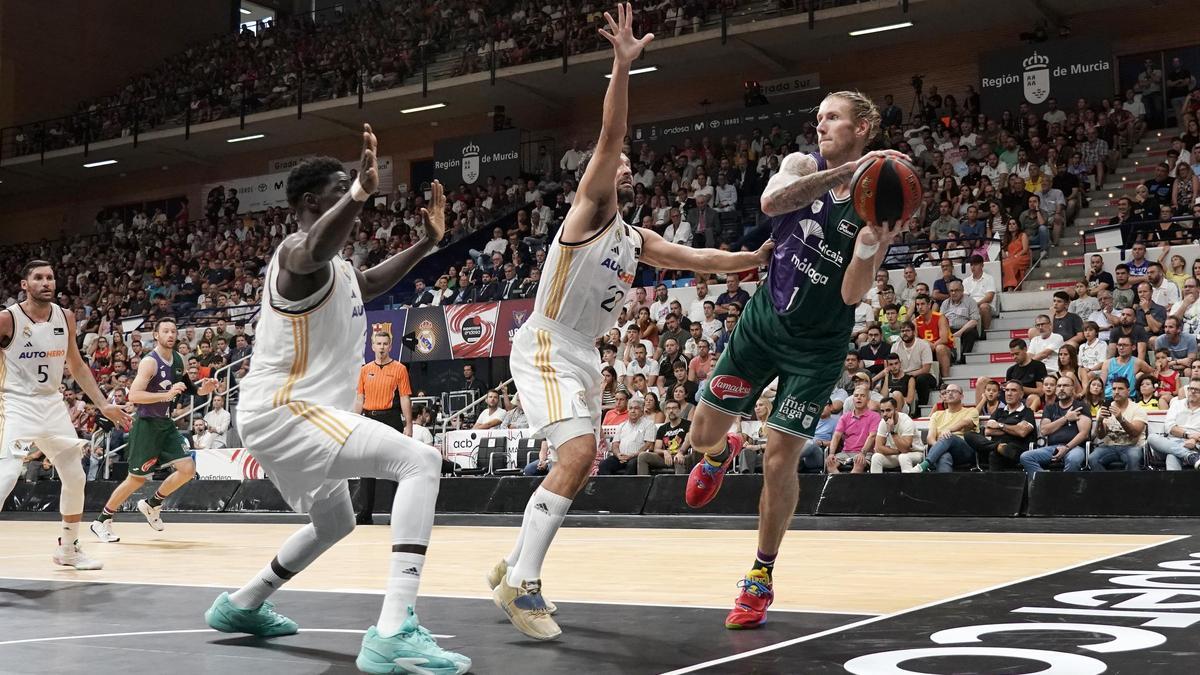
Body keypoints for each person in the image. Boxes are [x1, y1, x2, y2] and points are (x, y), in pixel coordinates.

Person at [493, 5, 772, 642]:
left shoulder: (633, 237)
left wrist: (752, 259)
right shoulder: (590, 209)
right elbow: (612, 132)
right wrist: (621, 65)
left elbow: (699, 258)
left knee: (580, 463)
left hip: (584, 352)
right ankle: (522, 581)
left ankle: (511, 565)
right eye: (614, 161)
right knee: (578, 454)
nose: (622, 164)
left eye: (624, 164)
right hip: (547, 341)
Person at [202, 130, 471, 672]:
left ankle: (241, 604)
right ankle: (395, 629)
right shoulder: (294, 256)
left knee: (336, 523)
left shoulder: (339, 268)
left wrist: (426, 245)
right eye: (338, 189)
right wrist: (360, 195)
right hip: (284, 411)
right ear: (310, 202)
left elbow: (367, 283)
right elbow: (314, 251)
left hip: (296, 414)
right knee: (419, 461)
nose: (350, 192)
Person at [682, 86, 906, 630]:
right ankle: (720, 453)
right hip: (762, 326)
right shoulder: (801, 164)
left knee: (781, 455)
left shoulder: (878, 201)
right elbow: (771, 204)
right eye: (819, 116)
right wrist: (841, 176)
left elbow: (853, 294)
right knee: (700, 434)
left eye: (833, 118)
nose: (821, 124)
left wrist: (873, 243)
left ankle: (759, 577)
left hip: (817, 346)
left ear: (863, 128)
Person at [0, 261, 131, 570]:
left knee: (75, 475)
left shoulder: (66, 317)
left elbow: (77, 365)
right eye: (38, 278)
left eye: (50, 277)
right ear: (25, 284)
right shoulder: (7, 320)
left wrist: (103, 404)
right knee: (5, 477)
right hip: (15, 404)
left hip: (52, 405)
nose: (46, 282)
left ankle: (68, 549)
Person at [90, 318, 218, 542]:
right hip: (147, 426)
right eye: (165, 331)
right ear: (156, 335)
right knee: (136, 479)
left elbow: (189, 388)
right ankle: (101, 520)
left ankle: (153, 504)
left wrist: (202, 390)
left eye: (173, 331)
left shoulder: (179, 359)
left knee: (187, 469)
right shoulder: (150, 362)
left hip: (166, 425)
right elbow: (135, 396)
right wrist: (166, 396)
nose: (170, 334)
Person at [352, 330, 413, 526]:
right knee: (366, 467)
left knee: (395, 468)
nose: (381, 347)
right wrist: (354, 421)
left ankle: (396, 514)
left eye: (385, 344)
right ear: (372, 346)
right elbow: (360, 398)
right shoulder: (364, 370)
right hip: (368, 419)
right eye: (378, 343)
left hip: (391, 419)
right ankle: (364, 513)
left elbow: (405, 397)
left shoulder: (400, 369)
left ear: (390, 345)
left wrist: (409, 424)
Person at [1018, 375, 1091, 474]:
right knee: (1026, 457)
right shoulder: (1050, 408)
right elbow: (1044, 430)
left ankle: (1064, 486)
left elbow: (1084, 434)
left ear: (1073, 388)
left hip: (1075, 447)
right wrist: (1065, 418)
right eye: (1059, 386)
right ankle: (1046, 480)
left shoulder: (1081, 406)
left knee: (1074, 459)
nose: (1061, 388)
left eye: (1065, 385)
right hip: (1053, 448)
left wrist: (1066, 448)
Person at [966, 380, 1036, 472]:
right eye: (1007, 390)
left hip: (1015, 450)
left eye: (1013, 390)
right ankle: (997, 447)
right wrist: (1014, 428)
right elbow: (988, 431)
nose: (1009, 394)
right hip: (995, 448)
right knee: (969, 435)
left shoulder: (1027, 412)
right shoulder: (999, 411)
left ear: (1021, 394)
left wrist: (1000, 425)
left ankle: (997, 449)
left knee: (996, 453)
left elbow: (1022, 432)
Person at [914, 384, 980, 472]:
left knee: (948, 436)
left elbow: (966, 422)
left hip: (964, 451)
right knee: (944, 456)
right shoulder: (937, 415)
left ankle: (924, 465)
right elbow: (930, 438)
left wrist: (948, 430)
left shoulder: (971, 411)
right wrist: (941, 448)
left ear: (962, 396)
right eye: (947, 392)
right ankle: (945, 484)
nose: (950, 393)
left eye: (954, 391)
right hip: (941, 448)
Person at [1091, 379, 1148, 471]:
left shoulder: (1138, 409)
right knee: (1092, 458)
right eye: (1114, 389)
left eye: (1120, 388)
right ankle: (1105, 484)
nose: (1116, 392)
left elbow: (1135, 433)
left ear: (1128, 391)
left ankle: (1130, 485)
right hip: (1108, 446)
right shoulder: (1105, 408)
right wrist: (1099, 421)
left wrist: (1121, 419)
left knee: (1133, 457)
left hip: (1131, 446)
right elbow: (1100, 436)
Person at [1147, 382, 1200, 470]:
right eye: (1191, 388)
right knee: (1152, 437)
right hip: (1170, 443)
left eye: (1197, 390)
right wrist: (1188, 435)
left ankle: (1175, 484)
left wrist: (1194, 439)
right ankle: (1190, 456)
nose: (1193, 392)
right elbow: (1169, 427)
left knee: (1172, 455)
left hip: (1194, 446)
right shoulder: (1177, 404)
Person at [869, 396, 925, 473]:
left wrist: (892, 432)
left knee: (903, 457)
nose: (885, 414)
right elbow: (878, 448)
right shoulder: (883, 422)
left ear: (896, 410)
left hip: (915, 453)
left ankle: (908, 484)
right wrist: (897, 451)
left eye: (888, 410)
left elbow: (905, 449)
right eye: (882, 411)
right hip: (896, 453)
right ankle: (876, 484)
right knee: (876, 457)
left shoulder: (906, 421)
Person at [638, 399, 691, 475]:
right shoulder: (662, 428)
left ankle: (678, 486)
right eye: (668, 408)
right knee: (643, 456)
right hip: (666, 457)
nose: (671, 411)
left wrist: (680, 452)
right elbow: (656, 449)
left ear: (679, 410)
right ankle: (644, 485)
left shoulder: (688, 424)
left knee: (678, 459)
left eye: (674, 408)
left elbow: (688, 440)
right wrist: (664, 452)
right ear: (666, 411)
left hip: (683, 456)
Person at [1000, 217, 1030, 291]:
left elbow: (1025, 249)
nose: (1011, 225)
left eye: (1013, 224)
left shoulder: (1023, 235)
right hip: (1011, 258)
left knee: (1008, 264)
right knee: (1002, 263)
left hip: (1023, 257)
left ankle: (1010, 286)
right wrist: (1000, 249)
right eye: (1009, 224)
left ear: (1018, 226)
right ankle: (1005, 286)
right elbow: (1005, 256)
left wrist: (1016, 256)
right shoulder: (1007, 238)